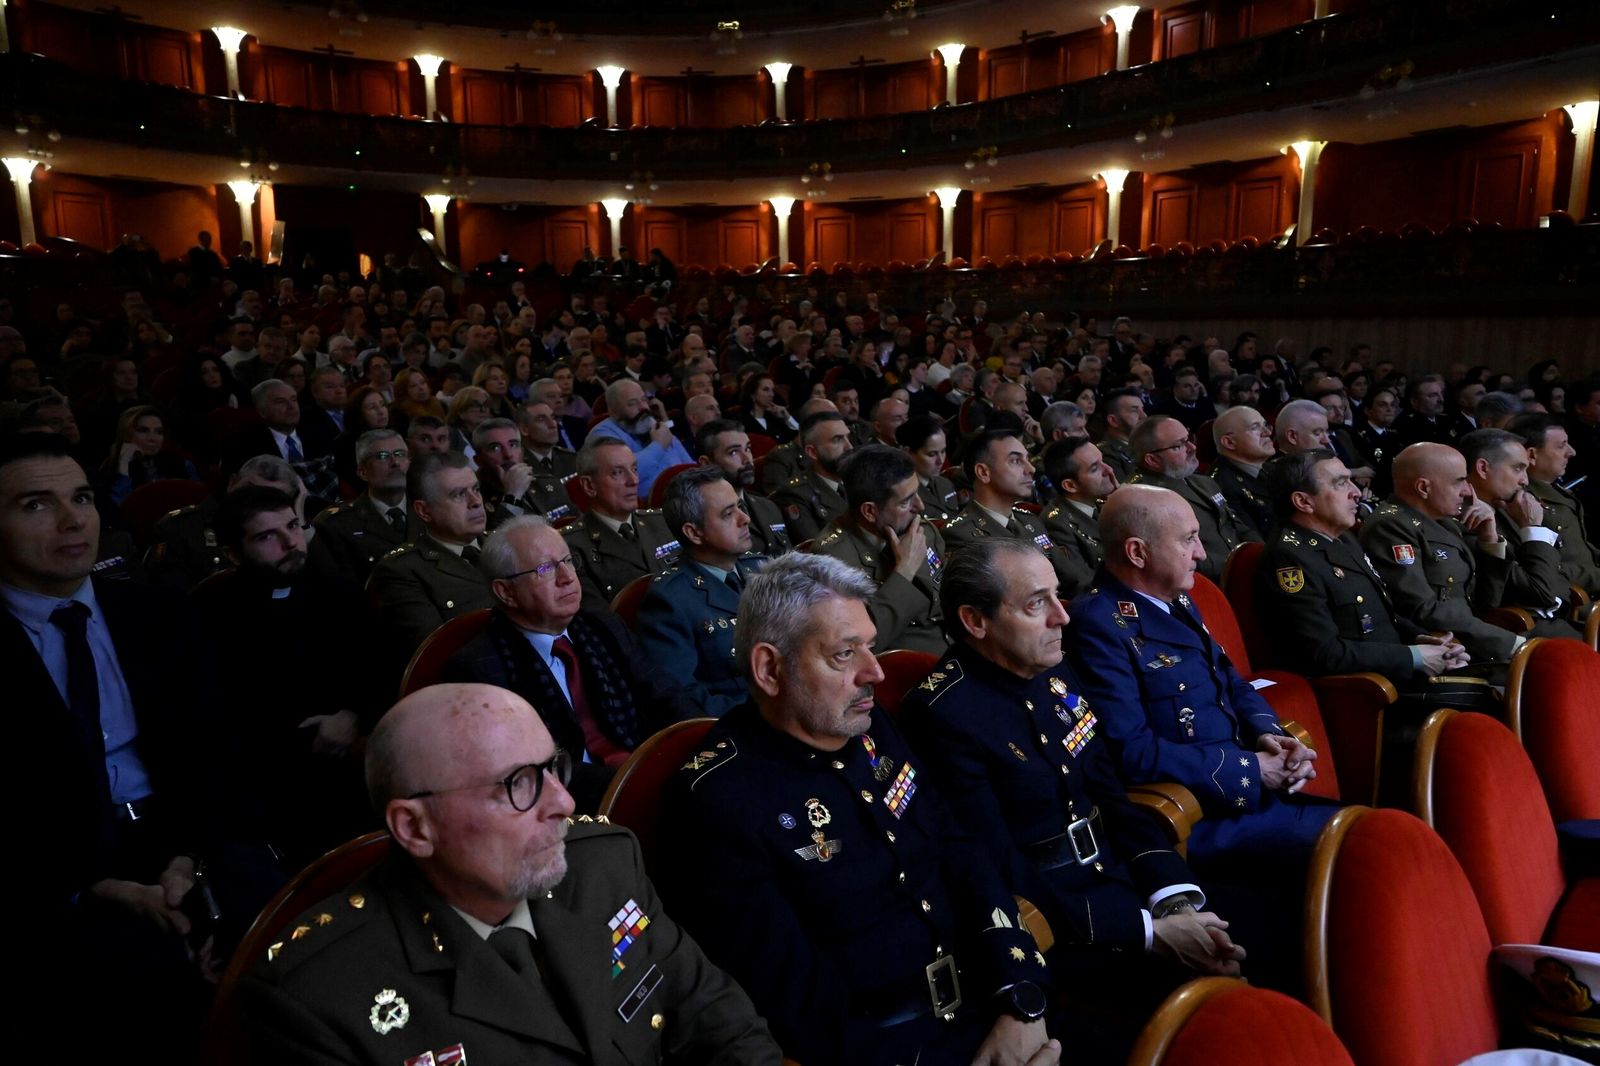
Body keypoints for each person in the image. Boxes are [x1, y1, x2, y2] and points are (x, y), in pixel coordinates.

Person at [239, 682, 782, 1065]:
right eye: (518, 783)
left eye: (552, 768)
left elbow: (713, 1013)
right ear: (415, 827)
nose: (564, 803)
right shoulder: (318, 997)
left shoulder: (602, 864)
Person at [656, 554, 1061, 1066]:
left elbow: (958, 848)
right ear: (770, 669)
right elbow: (796, 1006)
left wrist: (1020, 991)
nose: (875, 672)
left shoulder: (868, 726)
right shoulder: (719, 799)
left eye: (870, 645)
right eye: (845, 654)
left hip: (989, 997)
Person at [901, 538, 1245, 1059]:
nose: (1062, 616)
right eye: (1036, 604)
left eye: (1057, 596)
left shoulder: (1054, 669)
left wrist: (1174, 896)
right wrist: (1150, 931)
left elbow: (1112, 797)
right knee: (1208, 1027)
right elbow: (994, 865)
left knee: (1259, 941)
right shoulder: (943, 713)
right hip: (1056, 925)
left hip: (1121, 877)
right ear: (975, 621)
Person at [1, 431, 234, 1056]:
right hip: (52, 869)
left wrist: (189, 857)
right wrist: (93, 887)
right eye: (36, 504)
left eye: (81, 497)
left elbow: (213, 752)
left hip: (182, 836)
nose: (73, 519)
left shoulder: (160, 613)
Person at [1066, 486, 1336, 861]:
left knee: (1374, 829)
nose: (1201, 553)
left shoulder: (1175, 598)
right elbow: (1132, 752)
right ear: (1137, 553)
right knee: (1366, 842)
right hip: (1196, 817)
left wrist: (1270, 735)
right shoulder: (1098, 624)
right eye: (1188, 539)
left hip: (1248, 795)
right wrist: (1251, 768)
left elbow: (1231, 681)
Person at [443, 517, 694, 811]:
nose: (567, 577)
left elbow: (666, 694)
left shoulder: (602, 626)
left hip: (644, 770)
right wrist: (634, 784)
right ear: (506, 592)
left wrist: (703, 743)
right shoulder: (479, 670)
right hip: (569, 806)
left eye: (568, 561)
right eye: (545, 569)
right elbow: (529, 769)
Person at [196, 485, 377, 862]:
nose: (291, 542)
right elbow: (218, 716)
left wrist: (352, 716)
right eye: (267, 536)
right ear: (233, 553)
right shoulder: (210, 615)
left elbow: (380, 671)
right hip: (267, 778)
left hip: (355, 759)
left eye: (293, 526)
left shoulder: (340, 592)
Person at [1256, 450, 1472, 685]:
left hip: (1393, 670)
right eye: (1341, 483)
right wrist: (1414, 657)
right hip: (1362, 690)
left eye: (1351, 480)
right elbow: (1323, 653)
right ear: (1304, 502)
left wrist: (1423, 640)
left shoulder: (1342, 538)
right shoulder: (1289, 558)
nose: (1357, 492)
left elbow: (1380, 612)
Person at [1361, 442, 1565, 663]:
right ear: (1423, 488)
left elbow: (1487, 601)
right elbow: (1422, 610)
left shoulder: (1446, 523)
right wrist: (1513, 645)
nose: (1467, 491)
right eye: (1459, 481)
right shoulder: (1390, 527)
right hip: (1446, 652)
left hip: (1475, 641)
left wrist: (1489, 540)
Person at [635, 467, 767, 719]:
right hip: (746, 723)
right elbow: (682, 696)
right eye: (728, 514)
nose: (745, 518)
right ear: (694, 533)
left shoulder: (761, 567)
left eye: (740, 507)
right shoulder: (669, 600)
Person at [814, 445, 949, 654]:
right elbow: (861, 642)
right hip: (906, 664)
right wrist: (905, 570)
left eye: (917, 494)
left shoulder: (923, 531)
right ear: (870, 511)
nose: (920, 506)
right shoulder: (833, 558)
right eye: (906, 502)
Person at [367, 450, 495, 656]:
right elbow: (436, 655)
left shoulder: (506, 545)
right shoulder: (402, 571)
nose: (476, 502)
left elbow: (544, 581)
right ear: (424, 511)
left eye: (476, 489)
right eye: (458, 494)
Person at [944, 425, 1076, 589]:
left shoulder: (1029, 521)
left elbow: (1073, 579)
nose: (1031, 469)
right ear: (984, 473)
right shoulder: (961, 535)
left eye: (1027, 459)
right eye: (1015, 461)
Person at [1126, 415, 1255, 581]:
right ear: (1152, 460)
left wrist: (1262, 554)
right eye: (1179, 445)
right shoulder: (1146, 499)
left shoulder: (1204, 482)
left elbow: (1238, 526)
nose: (1192, 447)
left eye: (1189, 439)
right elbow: (1177, 557)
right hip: (1208, 582)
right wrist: (1240, 566)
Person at [563, 436, 680, 614]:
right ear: (589, 485)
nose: (634, 480)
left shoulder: (662, 521)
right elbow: (601, 619)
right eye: (617, 473)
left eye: (634, 469)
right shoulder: (572, 546)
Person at [314, 429, 422, 583]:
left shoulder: (431, 510)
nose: (395, 463)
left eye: (400, 454)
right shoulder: (336, 525)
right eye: (382, 456)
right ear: (362, 471)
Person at [1512, 412, 1600, 597]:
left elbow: (1584, 553)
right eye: (1561, 446)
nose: (1571, 452)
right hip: (1573, 599)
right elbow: (1548, 567)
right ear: (1532, 455)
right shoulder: (1523, 503)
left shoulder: (1557, 492)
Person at [694, 419, 791, 557]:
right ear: (706, 463)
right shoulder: (705, 521)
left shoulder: (768, 506)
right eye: (733, 452)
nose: (747, 459)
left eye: (748, 449)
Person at [585, 378, 692, 499]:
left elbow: (689, 465)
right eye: (632, 403)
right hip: (647, 505)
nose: (643, 407)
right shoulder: (602, 434)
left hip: (686, 494)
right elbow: (623, 473)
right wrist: (658, 446)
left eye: (644, 400)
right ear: (614, 411)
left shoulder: (654, 425)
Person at [1039, 436, 1113, 601]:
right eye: (1095, 468)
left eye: (1104, 461)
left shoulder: (1105, 504)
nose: (1108, 470)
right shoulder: (1057, 523)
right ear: (1070, 485)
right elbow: (1082, 584)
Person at [770, 410, 854, 544]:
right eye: (837, 440)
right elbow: (818, 549)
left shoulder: (856, 481)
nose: (849, 447)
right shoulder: (794, 495)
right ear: (813, 452)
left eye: (847, 437)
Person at [1209, 406, 1276, 540]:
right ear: (1229, 442)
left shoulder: (1272, 468)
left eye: (1265, 425)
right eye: (1255, 427)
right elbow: (1253, 542)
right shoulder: (1221, 486)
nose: (1267, 432)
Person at [899, 415, 961, 521]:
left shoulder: (945, 484)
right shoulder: (902, 495)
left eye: (943, 451)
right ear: (908, 453)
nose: (941, 461)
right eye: (932, 454)